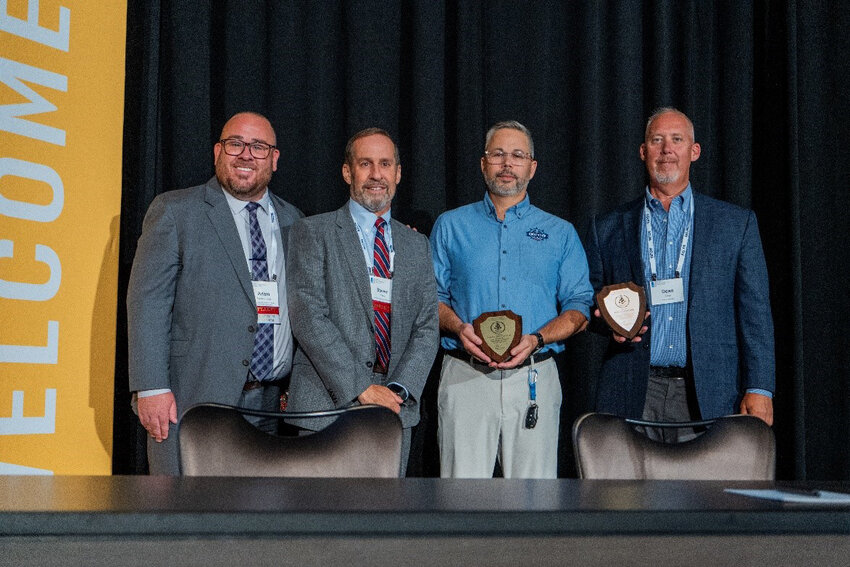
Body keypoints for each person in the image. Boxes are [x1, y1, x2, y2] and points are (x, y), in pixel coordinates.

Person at [127, 111, 303, 474]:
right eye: (235, 144)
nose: (245, 154)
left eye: (258, 146)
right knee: (186, 515)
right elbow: (147, 302)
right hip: (193, 399)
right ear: (217, 152)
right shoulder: (176, 211)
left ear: (274, 158)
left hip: (270, 403)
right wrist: (150, 388)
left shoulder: (294, 221)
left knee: (253, 517)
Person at [584, 107, 775, 442]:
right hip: (631, 391)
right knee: (625, 495)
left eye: (677, 140)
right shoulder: (608, 227)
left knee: (705, 495)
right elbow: (591, 301)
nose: (666, 149)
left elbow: (755, 314)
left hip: (710, 393)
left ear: (694, 151)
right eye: (656, 140)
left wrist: (760, 387)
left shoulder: (736, 224)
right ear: (643, 152)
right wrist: (607, 323)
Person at [430, 120, 594, 478]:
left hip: (535, 375)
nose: (507, 164)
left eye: (517, 155)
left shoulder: (561, 233)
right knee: (462, 500)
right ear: (483, 163)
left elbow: (580, 306)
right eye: (498, 154)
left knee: (534, 502)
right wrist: (459, 327)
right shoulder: (450, 225)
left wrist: (537, 339)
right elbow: (431, 299)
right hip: (465, 375)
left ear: (532, 167)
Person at [286, 127, 438, 476]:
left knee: (382, 520)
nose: (376, 174)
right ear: (347, 172)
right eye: (365, 163)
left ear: (398, 173)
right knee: (322, 518)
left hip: (394, 409)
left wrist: (398, 390)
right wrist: (362, 387)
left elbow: (427, 325)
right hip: (326, 403)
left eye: (385, 164)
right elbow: (309, 316)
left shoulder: (417, 246)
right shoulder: (313, 232)